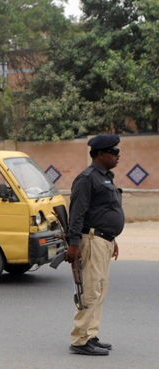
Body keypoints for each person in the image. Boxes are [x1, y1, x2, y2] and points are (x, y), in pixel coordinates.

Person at [65, 134, 124, 356]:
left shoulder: (105, 177)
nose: (118, 155)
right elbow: (77, 214)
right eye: (114, 152)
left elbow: (103, 212)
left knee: (100, 289)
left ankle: (90, 334)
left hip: (104, 240)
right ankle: (80, 340)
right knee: (90, 289)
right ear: (101, 154)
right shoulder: (87, 178)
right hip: (91, 240)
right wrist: (73, 244)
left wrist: (112, 238)